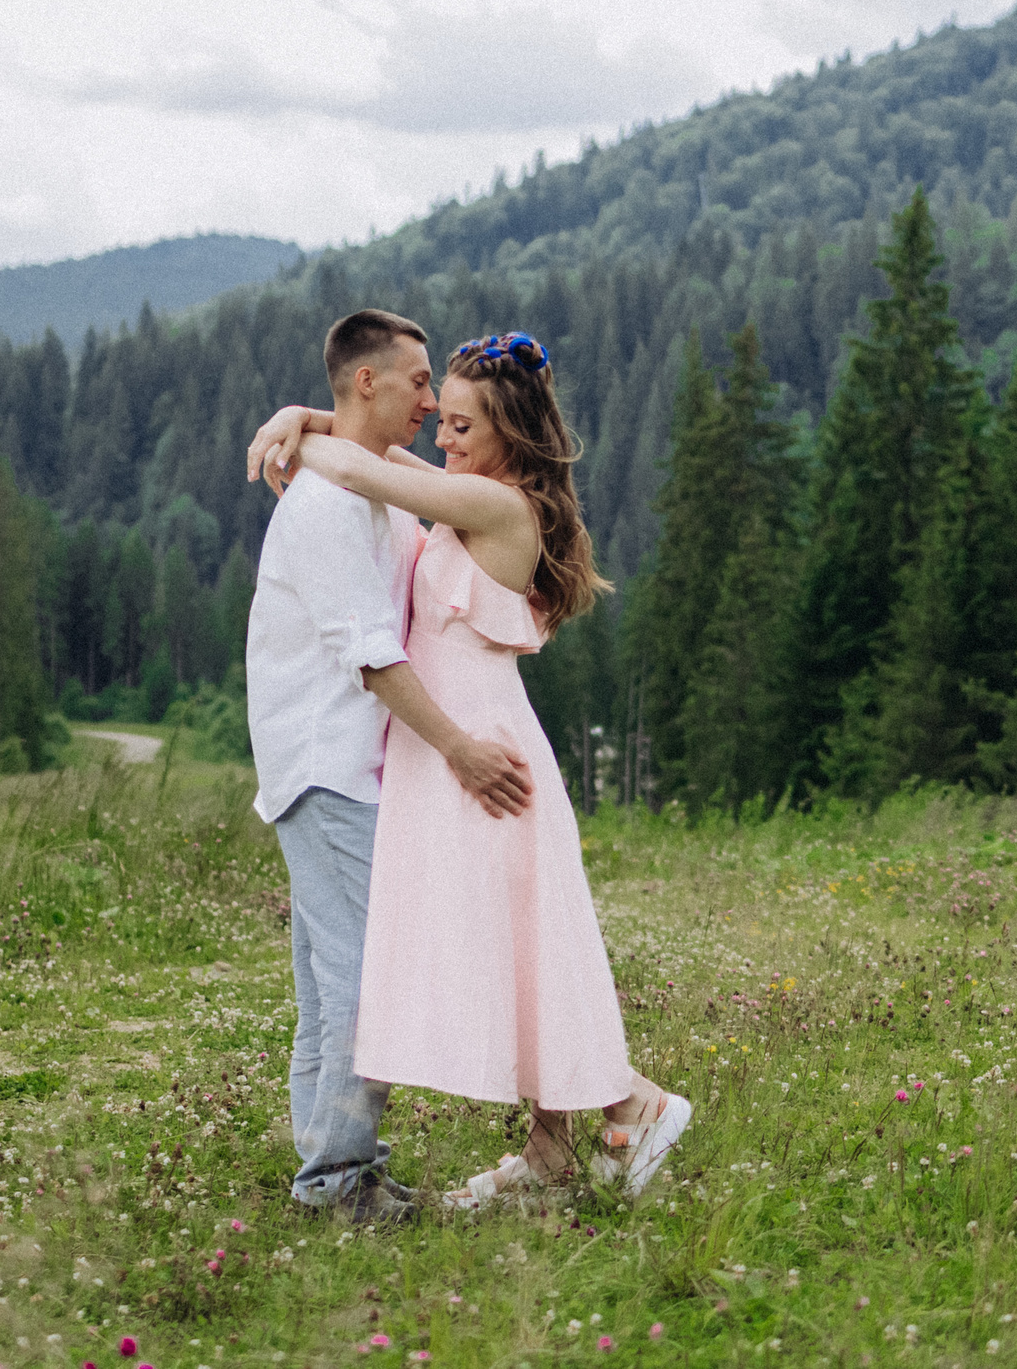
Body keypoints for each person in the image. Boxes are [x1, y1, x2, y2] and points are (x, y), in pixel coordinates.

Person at [248, 330, 692, 1205]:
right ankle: (554, 1151)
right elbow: (381, 469)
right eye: (435, 414)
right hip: (454, 752)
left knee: (529, 948)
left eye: (457, 423)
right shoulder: (463, 500)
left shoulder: (494, 508)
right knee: (518, 947)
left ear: (507, 433)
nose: (439, 434)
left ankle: (630, 1104)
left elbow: (376, 471)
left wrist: (304, 421)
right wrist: (311, 417)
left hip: (481, 752)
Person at [245, 308, 536, 1223]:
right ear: (367, 380)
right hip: (328, 767)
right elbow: (370, 654)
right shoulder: (327, 507)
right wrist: (459, 749)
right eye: (417, 382)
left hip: (350, 769)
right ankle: (337, 1182)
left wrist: (308, 418)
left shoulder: (366, 492)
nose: (428, 400)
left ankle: (333, 1174)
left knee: (330, 984)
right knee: (367, 981)